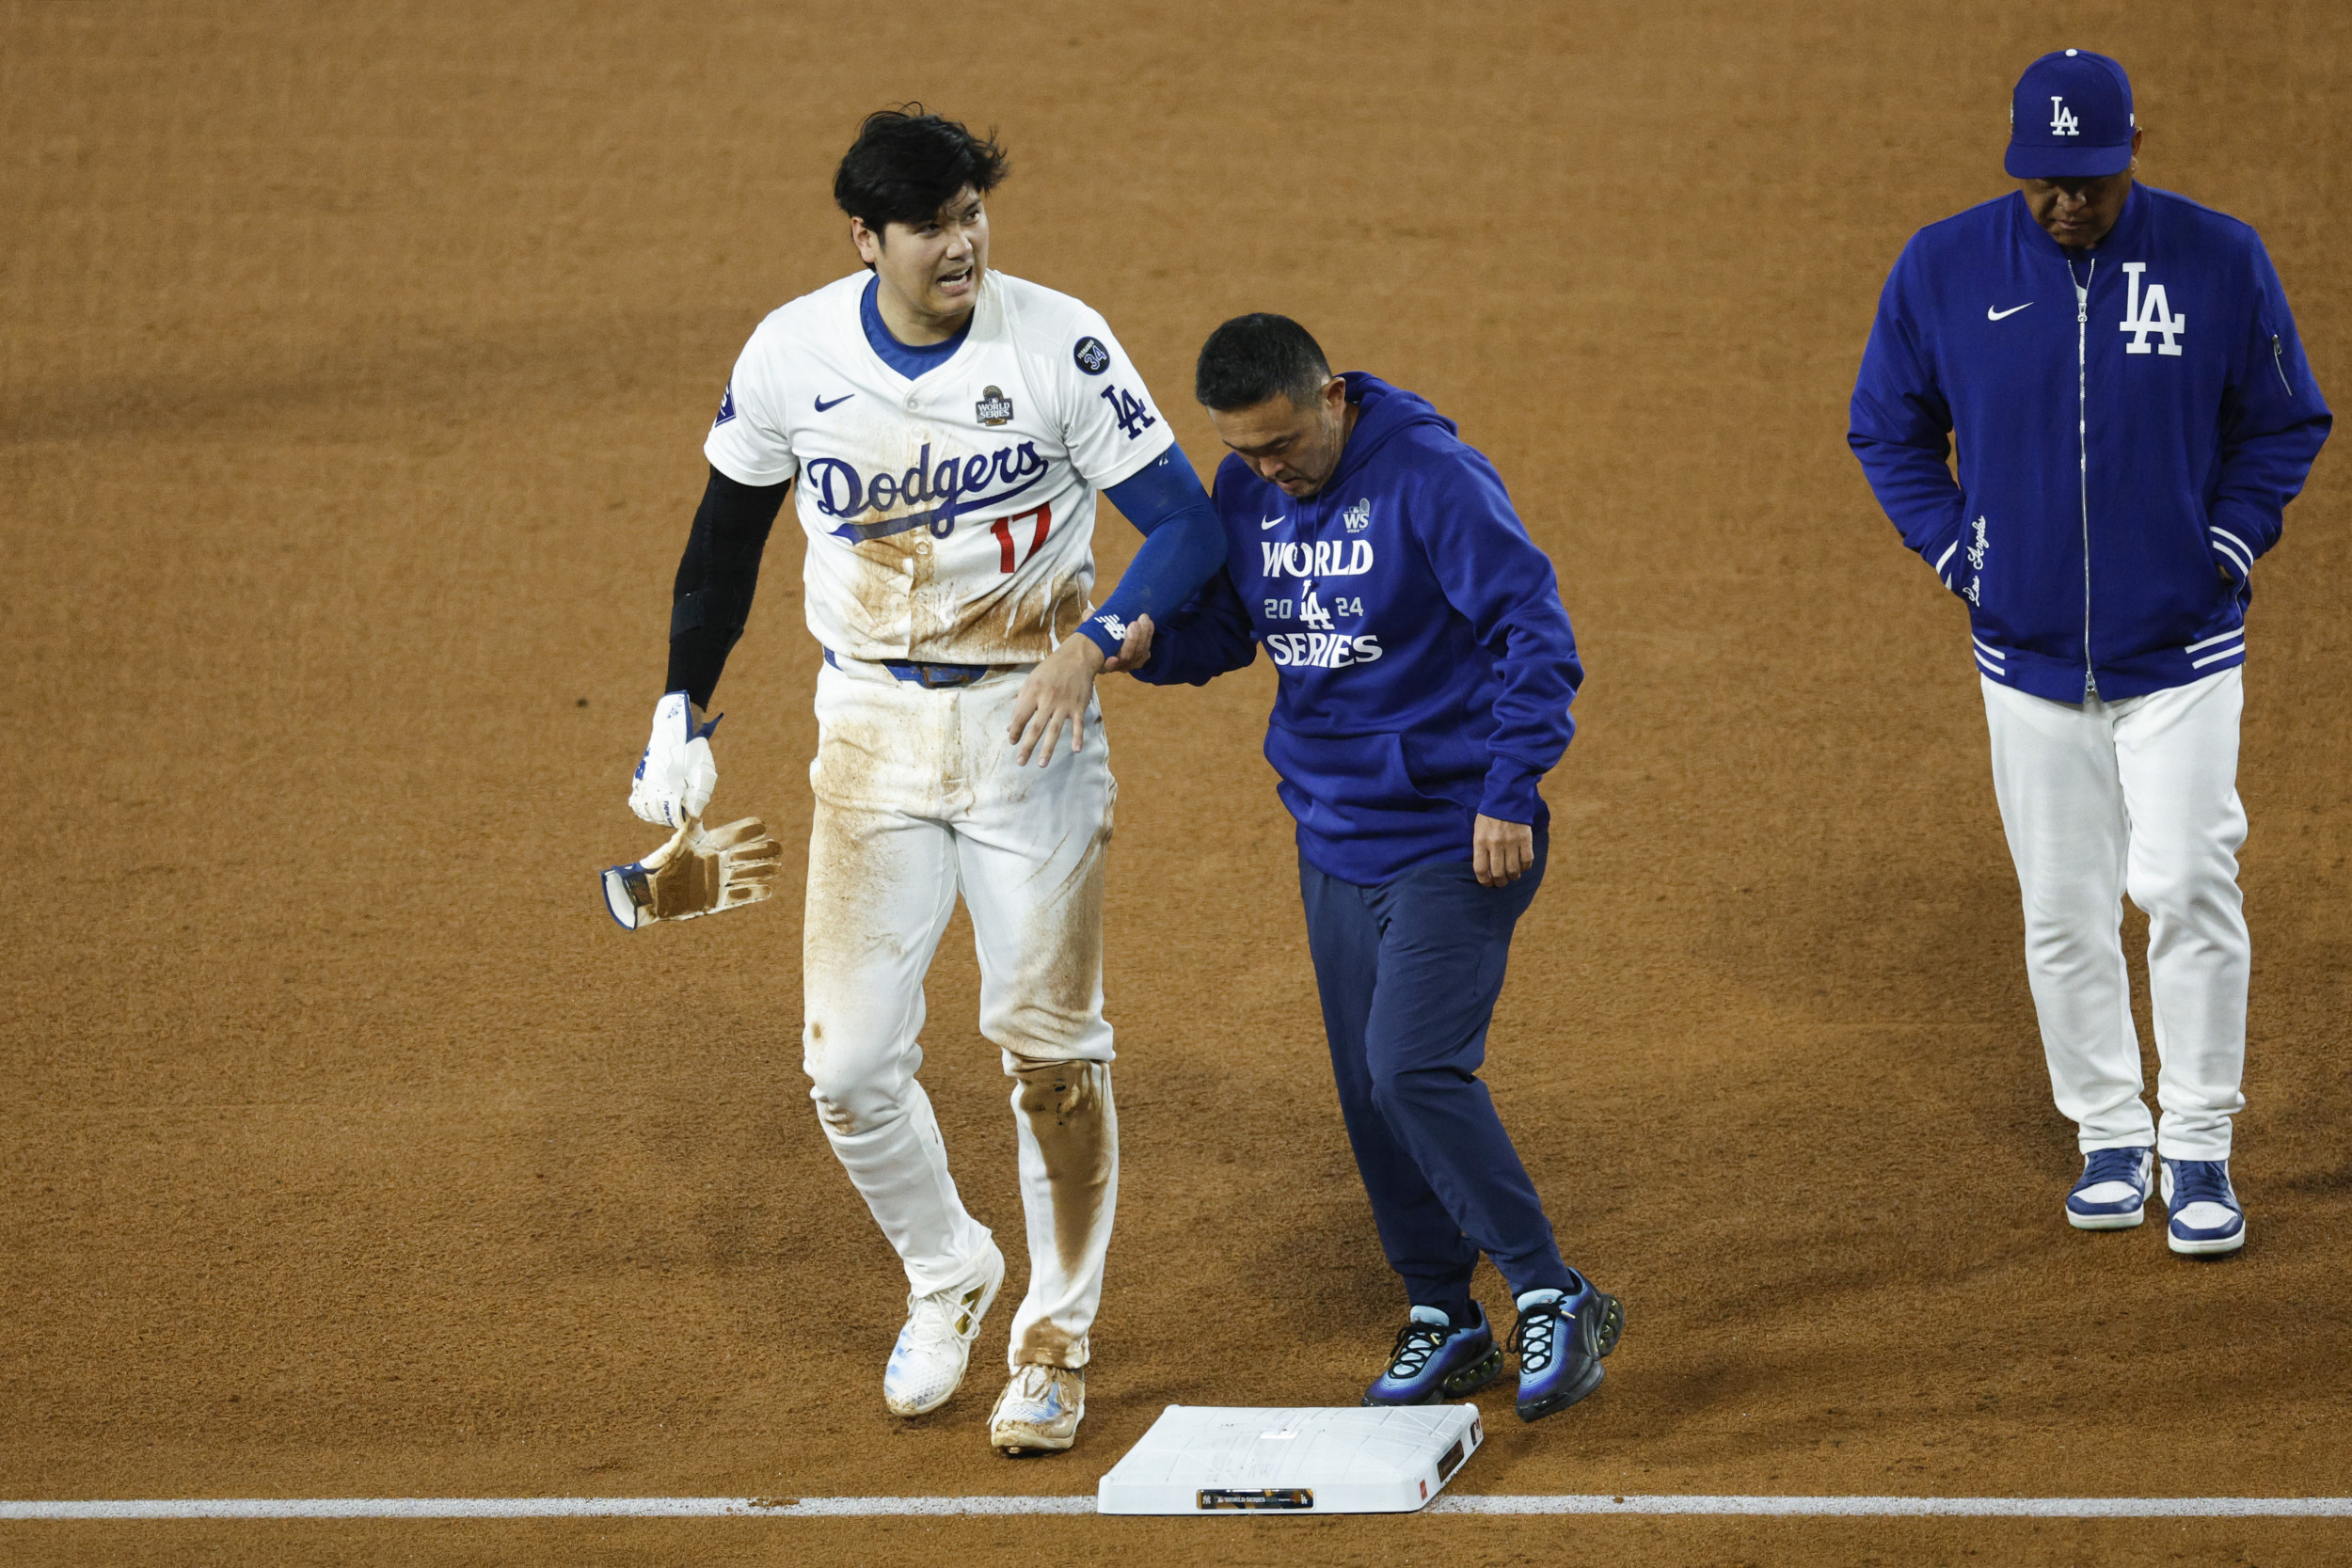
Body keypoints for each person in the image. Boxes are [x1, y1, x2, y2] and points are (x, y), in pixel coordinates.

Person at [625, 107, 1226, 1454]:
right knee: (845, 1064)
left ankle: (1055, 1341)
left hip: (1031, 727)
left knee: (1050, 1050)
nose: (964, 244)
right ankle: (950, 1265)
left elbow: (1186, 520)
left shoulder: (1057, 341)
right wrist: (684, 702)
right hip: (872, 733)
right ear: (868, 239)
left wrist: (1091, 639)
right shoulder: (793, 354)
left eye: (973, 216)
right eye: (935, 226)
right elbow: (722, 542)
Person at [1850, 51, 2329, 1256]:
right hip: (2026, 657)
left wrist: (2223, 540)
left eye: (2091, 181)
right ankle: (2109, 1133)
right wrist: (1961, 555)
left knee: (2185, 883)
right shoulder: (1944, 266)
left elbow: (2283, 419)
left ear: (2131, 156)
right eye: (2045, 181)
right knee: (2064, 909)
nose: (2067, 201)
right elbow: (1888, 426)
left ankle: (2201, 1141)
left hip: (2181, 648)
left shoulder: (2219, 259)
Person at [1119, 314, 1623, 1422]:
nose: (1266, 472)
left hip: (1454, 828)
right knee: (1365, 1090)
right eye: (1244, 452)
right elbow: (1233, 631)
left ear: (1334, 396)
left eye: (1283, 445)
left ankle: (1553, 1287)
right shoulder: (1249, 483)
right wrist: (1157, 652)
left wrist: (1507, 787)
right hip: (1332, 832)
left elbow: (1535, 630)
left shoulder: (1432, 476)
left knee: (1411, 1067)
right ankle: (1446, 1311)